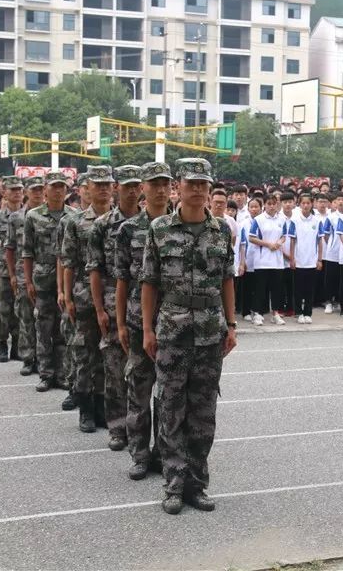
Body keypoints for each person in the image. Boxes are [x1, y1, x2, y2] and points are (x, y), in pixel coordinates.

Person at [140, 157, 237, 515]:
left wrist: (232, 324)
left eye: (203, 184)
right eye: (191, 183)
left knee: (203, 412)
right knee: (170, 409)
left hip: (211, 332)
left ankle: (197, 483)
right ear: (178, 187)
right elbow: (148, 283)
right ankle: (173, 483)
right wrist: (148, 329)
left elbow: (228, 278)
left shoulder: (222, 230)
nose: (198, 190)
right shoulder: (160, 229)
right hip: (172, 331)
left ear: (210, 188)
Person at [115, 162, 172, 480]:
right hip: (138, 322)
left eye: (165, 183)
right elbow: (121, 280)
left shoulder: (179, 226)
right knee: (138, 389)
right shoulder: (128, 230)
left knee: (168, 394)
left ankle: (162, 452)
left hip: (174, 323)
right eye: (154, 183)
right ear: (143, 188)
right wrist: (121, 323)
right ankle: (139, 454)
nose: (161, 189)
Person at [88, 165, 142, 450]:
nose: (132, 190)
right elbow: (95, 270)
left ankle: (139, 430)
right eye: (127, 185)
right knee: (114, 371)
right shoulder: (103, 225)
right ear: (117, 188)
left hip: (145, 306)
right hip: (112, 303)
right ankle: (118, 428)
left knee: (142, 374)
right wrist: (99, 309)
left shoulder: (156, 223)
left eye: (137, 185)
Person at [62, 166, 114, 433]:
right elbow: (68, 262)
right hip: (83, 295)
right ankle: (85, 408)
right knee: (85, 353)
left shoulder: (122, 221)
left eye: (107, 184)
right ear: (87, 188)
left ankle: (103, 406)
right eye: (98, 184)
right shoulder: (76, 222)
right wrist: (67, 295)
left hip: (115, 296)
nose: (103, 188)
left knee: (110, 354)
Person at [22, 172, 74, 392]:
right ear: (45, 189)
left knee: (63, 327)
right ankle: (45, 373)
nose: (58, 190)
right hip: (43, 278)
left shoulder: (74, 215)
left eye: (62, 187)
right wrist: (28, 281)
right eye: (54, 187)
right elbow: (27, 252)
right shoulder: (33, 216)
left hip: (66, 281)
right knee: (43, 326)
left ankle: (62, 373)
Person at [5, 176, 44, 376]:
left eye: (40, 189)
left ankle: (47, 360)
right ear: (26, 192)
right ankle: (29, 358)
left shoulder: (51, 216)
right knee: (26, 317)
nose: (37, 193)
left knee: (46, 320)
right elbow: (9, 249)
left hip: (46, 274)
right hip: (22, 273)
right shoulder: (16, 218)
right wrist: (12, 274)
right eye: (33, 189)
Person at [0, 176, 23, 362]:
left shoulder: (29, 214)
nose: (17, 193)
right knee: (3, 307)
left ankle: (17, 345)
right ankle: (2, 344)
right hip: (3, 268)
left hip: (23, 267)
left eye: (19, 189)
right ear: (4, 193)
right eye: (12, 190)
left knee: (21, 308)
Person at [248, 194, 287, 326]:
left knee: (276, 289)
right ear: (264, 205)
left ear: (277, 205)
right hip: (262, 260)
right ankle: (258, 314)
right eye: (269, 204)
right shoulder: (258, 220)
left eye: (274, 204)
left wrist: (278, 243)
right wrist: (268, 244)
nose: (271, 206)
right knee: (260, 289)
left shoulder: (282, 220)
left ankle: (275, 313)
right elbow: (252, 238)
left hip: (277, 261)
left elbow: (284, 236)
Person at [290, 193, 324, 324]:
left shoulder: (316, 221)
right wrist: (292, 258)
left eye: (308, 203)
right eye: (303, 203)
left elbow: (320, 241)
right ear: (299, 204)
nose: (305, 205)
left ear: (312, 204)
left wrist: (319, 259)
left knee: (310, 289)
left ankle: (308, 313)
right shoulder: (295, 221)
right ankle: (299, 312)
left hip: (311, 260)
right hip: (298, 260)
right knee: (298, 289)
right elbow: (292, 241)